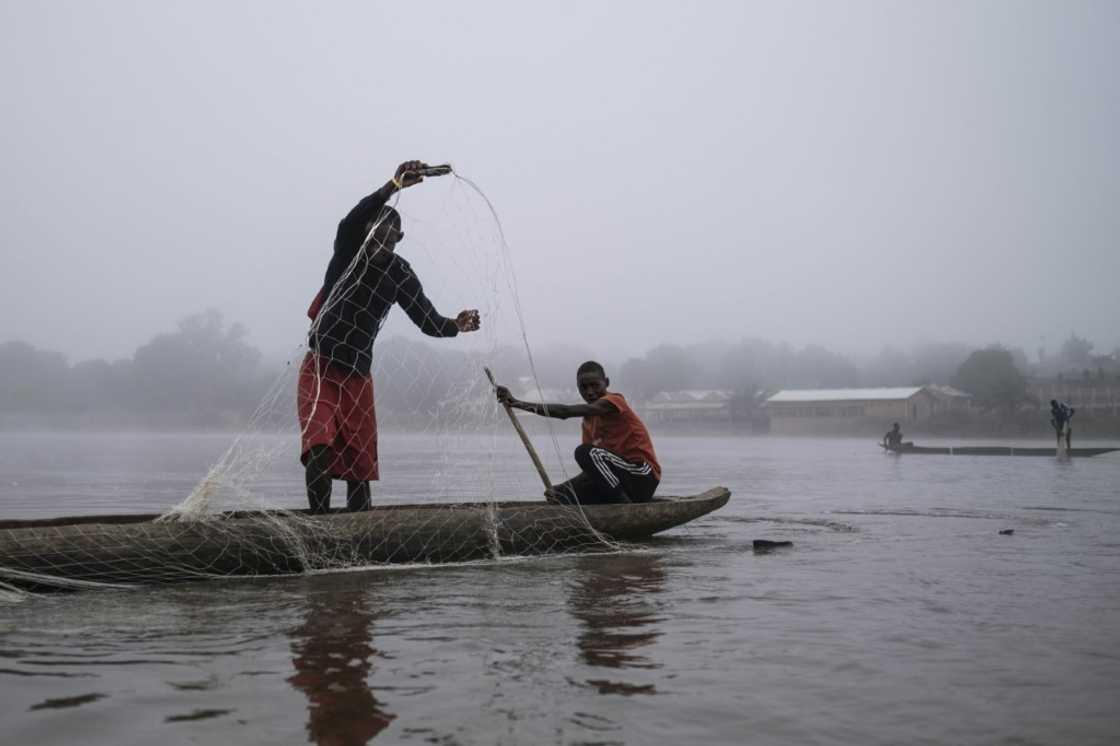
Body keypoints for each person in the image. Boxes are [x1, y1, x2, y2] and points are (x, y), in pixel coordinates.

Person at [298, 160, 481, 514]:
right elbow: (350, 221)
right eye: (374, 234)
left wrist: (455, 324)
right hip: (321, 367)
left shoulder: (399, 273)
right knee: (318, 445)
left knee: (360, 462)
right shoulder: (348, 253)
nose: (380, 242)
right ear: (365, 233)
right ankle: (317, 527)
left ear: (399, 239)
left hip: (358, 376)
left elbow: (427, 321)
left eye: (387, 237)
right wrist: (393, 185)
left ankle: (359, 530)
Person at [495, 361, 660, 504]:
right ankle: (616, 502)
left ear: (606, 383)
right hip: (620, 482)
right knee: (559, 495)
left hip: (642, 477)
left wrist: (517, 403)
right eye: (584, 387)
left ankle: (624, 507)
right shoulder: (588, 423)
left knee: (584, 452)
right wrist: (562, 489)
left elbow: (565, 412)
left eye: (595, 385)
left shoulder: (613, 401)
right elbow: (594, 470)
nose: (589, 392)